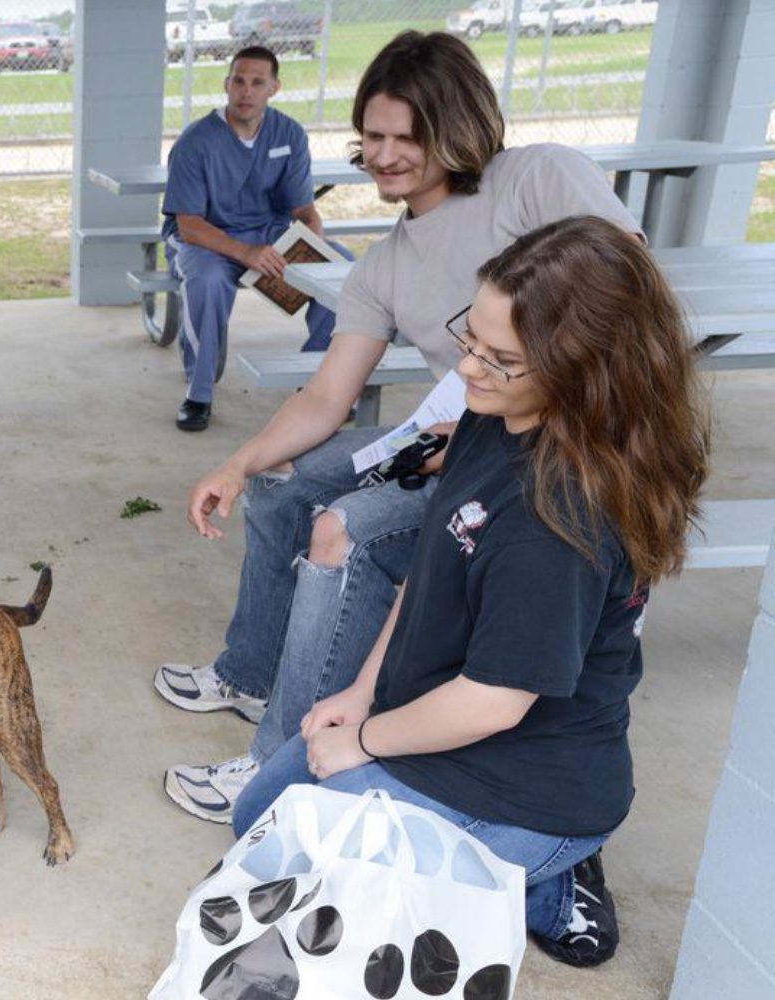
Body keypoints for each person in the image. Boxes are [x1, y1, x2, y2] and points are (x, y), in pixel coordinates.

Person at [155, 31, 643, 821]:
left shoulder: (535, 178)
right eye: (370, 137)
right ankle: (251, 674)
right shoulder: (383, 262)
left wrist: (519, 410)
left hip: (552, 464)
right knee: (286, 476)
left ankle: (279, 758)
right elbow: (325, 398)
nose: (379, 156)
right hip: (457, 439)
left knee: (341, 532)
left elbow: (631, 300)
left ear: (455, 125)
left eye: (401, 138)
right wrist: (237, 464)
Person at [230, 215, 710, 967]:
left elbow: (493, 700)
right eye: (471, 339)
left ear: (587, 368)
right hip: (437, 726)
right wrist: (362, 693)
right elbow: (431, 566)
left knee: (302, 888)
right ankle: (487, 865)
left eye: (501, 357)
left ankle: (546, 874)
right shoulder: (496, 417)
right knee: (256, 821)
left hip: (527, 782)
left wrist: (360, 744)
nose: (468, 369)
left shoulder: (560, 522)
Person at [161, 45, 344, 433]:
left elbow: (304, 210)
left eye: (257, 82)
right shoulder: (196, 141)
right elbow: (189, 224)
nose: (246, 91)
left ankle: (316, 386)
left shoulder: (289, 133)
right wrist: (246, 253)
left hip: (267, 234)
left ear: (273, 88)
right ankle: (199, 393)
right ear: (227, 85)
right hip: (207, 238)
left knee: (343, 275)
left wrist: (312, 247)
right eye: (239, 81)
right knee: (207, 282)